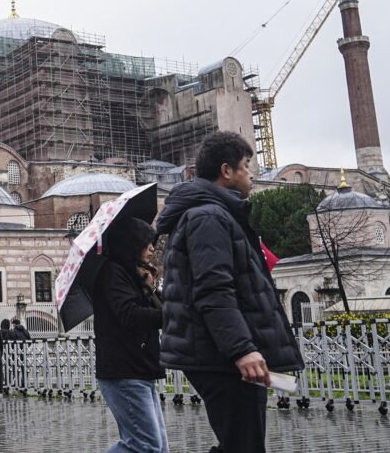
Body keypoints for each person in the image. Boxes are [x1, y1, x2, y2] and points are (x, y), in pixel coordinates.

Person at [157, 131, 303, 453]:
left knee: (239, 444)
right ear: (227, 171)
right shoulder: (208, 217)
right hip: (222, 356)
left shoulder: (213, 214)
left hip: (219, 352)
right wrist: (241, 349)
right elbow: (214, 290)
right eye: (246, 165)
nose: (251, 174)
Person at [93, 217, 168, 453]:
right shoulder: (114, 273)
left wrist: (150, 288)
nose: (152, 248)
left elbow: (155, 309)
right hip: (124, 370)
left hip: (139, 368)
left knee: (158, 447)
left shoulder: (134, 276)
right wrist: (168, 315)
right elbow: (129, 315)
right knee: (145, 445)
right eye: (146, 242)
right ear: (131, 244)